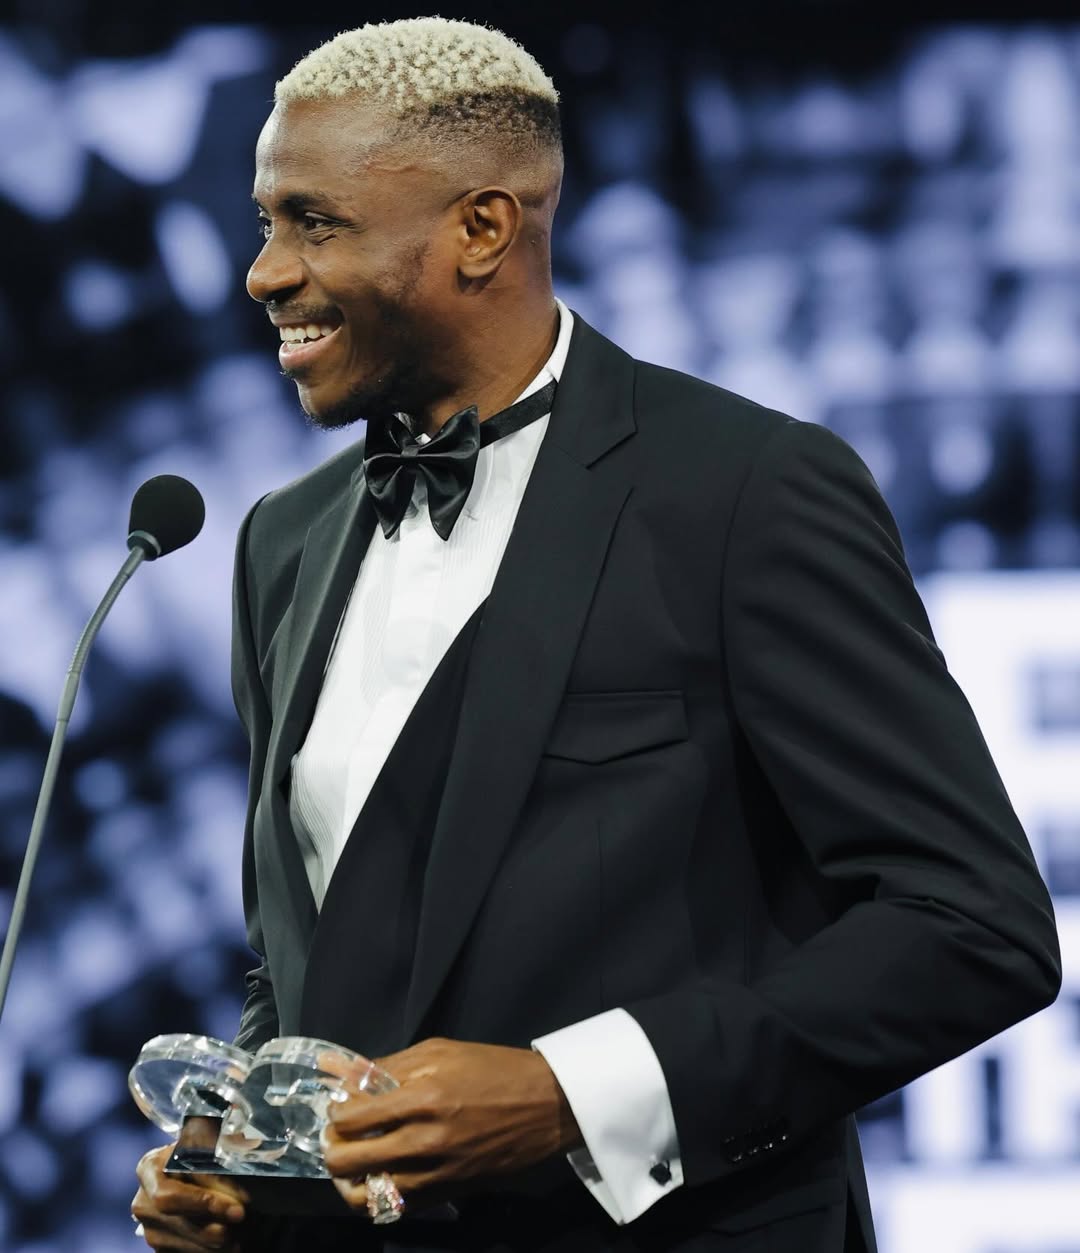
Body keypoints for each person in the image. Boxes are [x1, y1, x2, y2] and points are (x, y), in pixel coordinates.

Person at [131, 17, 1061, 1253]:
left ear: (482, 229)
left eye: (316, 223)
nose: (262, 272)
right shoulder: (280, 541)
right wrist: (244, 1158)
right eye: (265, 223)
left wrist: (570, 1092)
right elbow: (299, 960)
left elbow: (972, 926)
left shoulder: (745, 490)